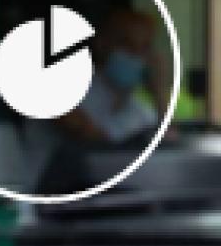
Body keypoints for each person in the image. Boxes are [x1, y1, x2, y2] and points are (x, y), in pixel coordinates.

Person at [59, 8, 171, 147]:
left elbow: (168, 143)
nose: (136, 55)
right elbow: (97, 141)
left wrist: (159, 95)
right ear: (102, 44)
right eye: (127, 45)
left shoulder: (141, 110)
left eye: (144, 48)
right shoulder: (67, 93)